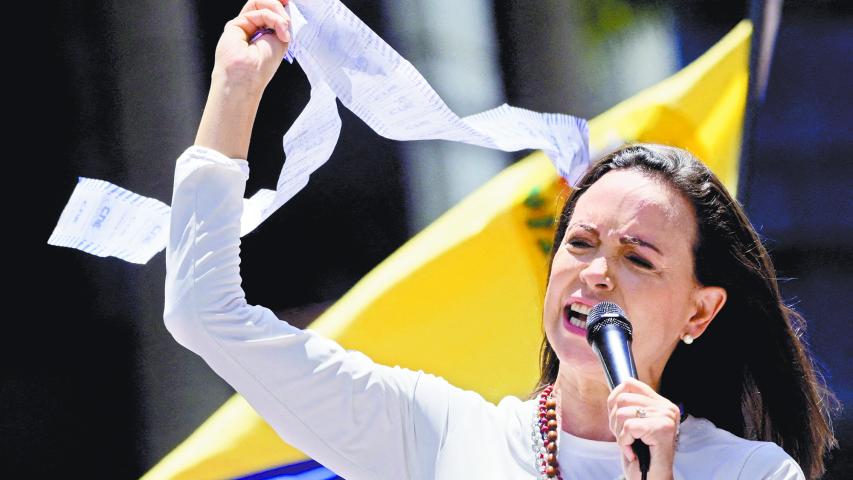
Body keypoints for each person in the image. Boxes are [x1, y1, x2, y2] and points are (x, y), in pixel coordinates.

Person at [163, 1, 837, 478]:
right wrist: (235, 89)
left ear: (698, 310)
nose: (596, 273)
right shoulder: (436, 434)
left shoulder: (749, 472)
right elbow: (206, 315)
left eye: (636, 257)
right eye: (578, 245)